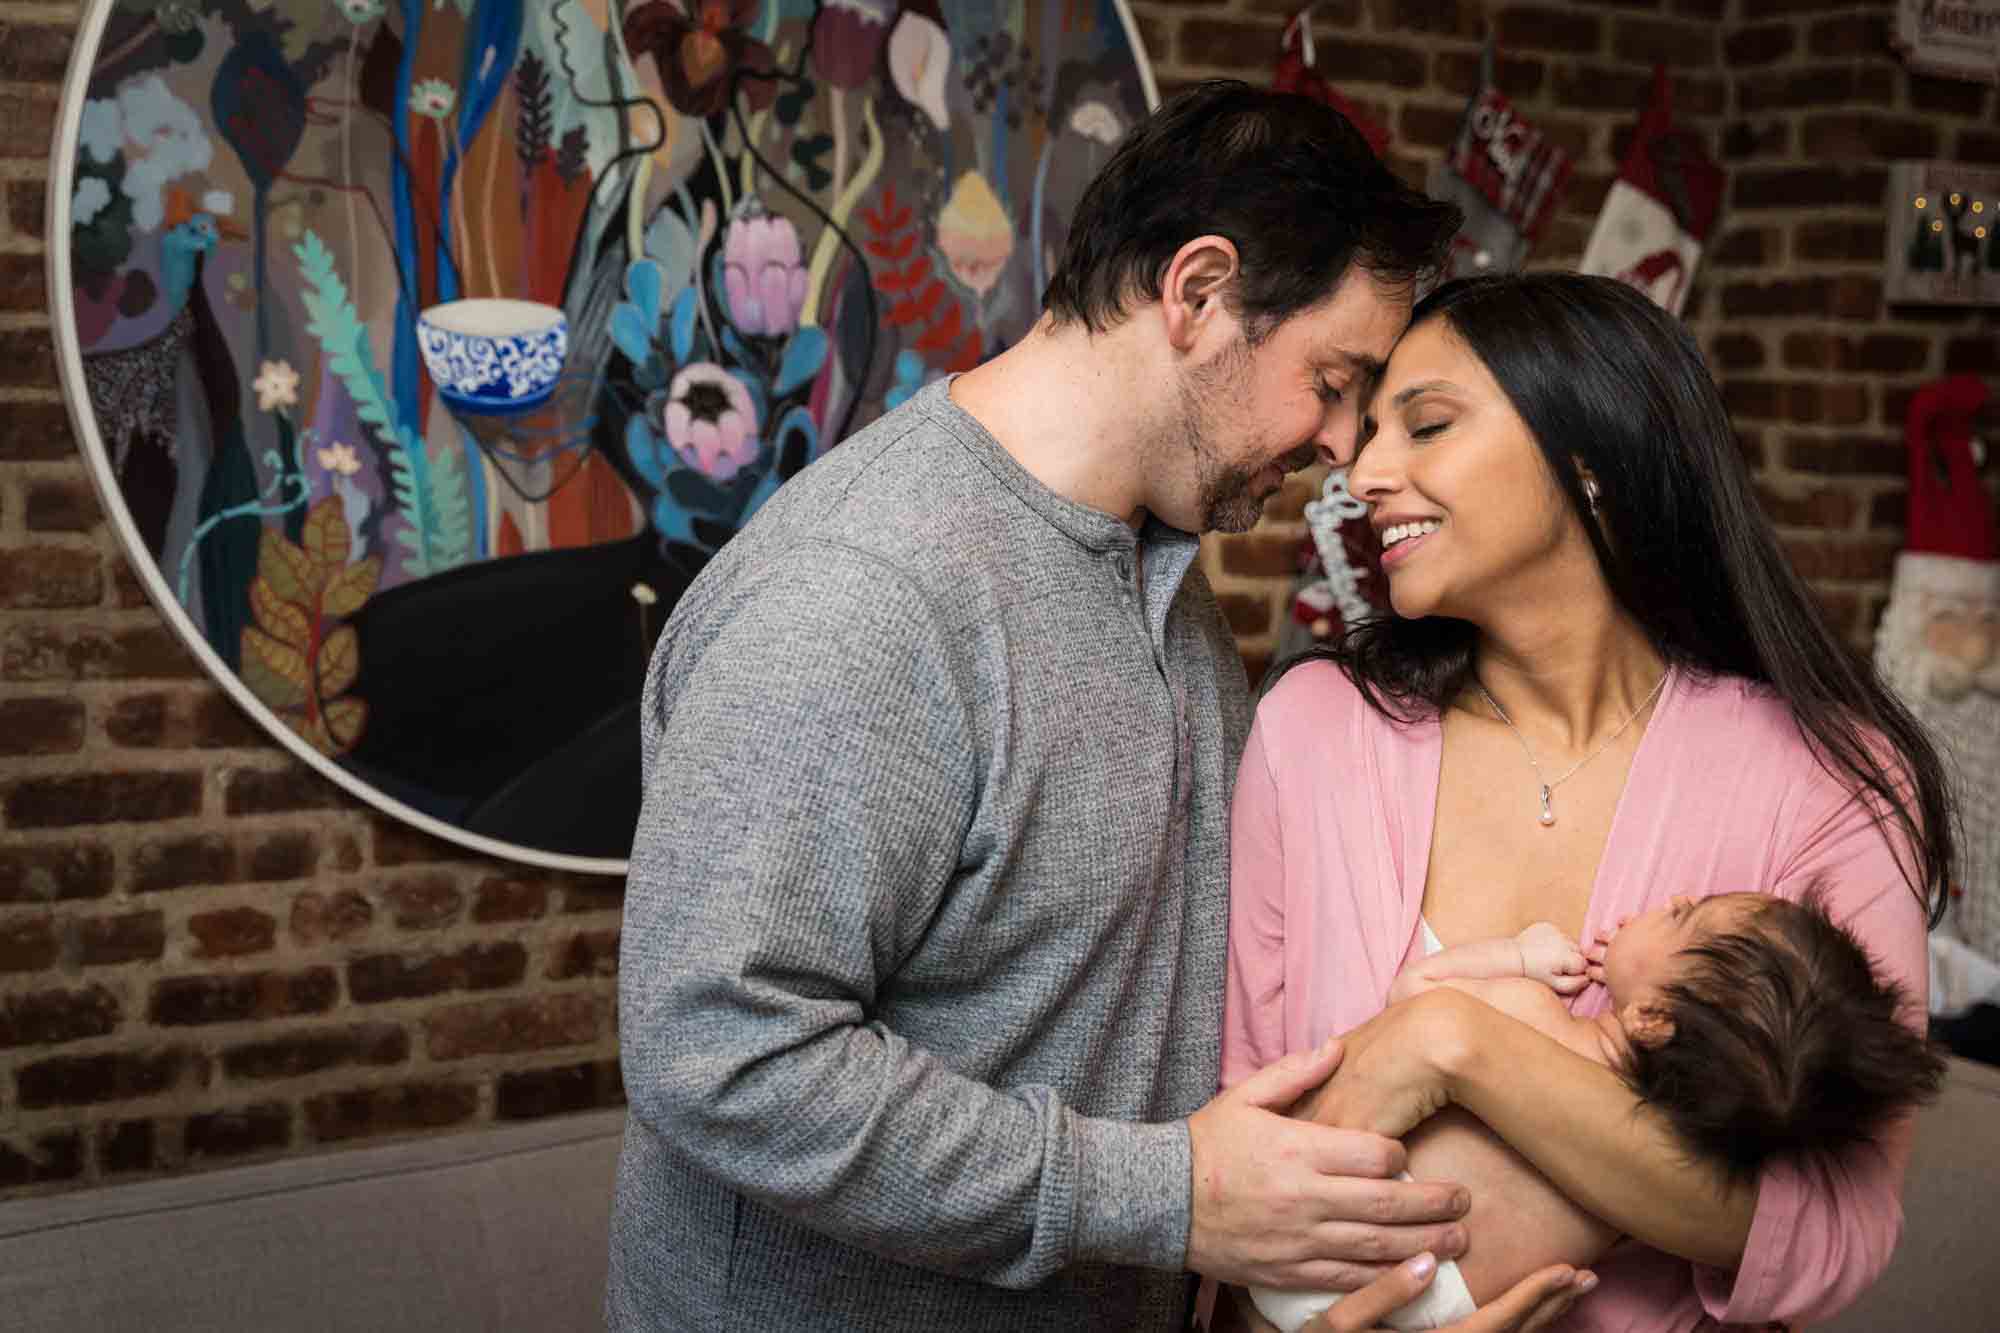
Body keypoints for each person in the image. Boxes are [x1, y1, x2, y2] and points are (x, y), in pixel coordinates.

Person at [607, 81, 1598, 1332]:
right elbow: (720, 1056)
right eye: (1332, 379)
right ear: (1196, 293)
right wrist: (1167, 1196)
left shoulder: (1165, 587)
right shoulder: (863, 593)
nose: (1345, 447)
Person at [1219, 272, 1956, 1333]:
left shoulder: (1830, 780)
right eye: (1370, 429)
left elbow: (1828, 1230)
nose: (1363, 473)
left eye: (1424, 425)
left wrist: (1451, 1047)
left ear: (1590, 462)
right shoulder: (1312, 732)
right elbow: (1240, 1156)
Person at [1247, 890, 1948, 1331]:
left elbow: (1414, 995)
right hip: (1441, 1307)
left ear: (1649, 1019)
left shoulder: (1528, 1016)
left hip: (1311, 1244)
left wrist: (1517, 954)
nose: (1669, 896)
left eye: (1681, 915)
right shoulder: (1634, 1204)